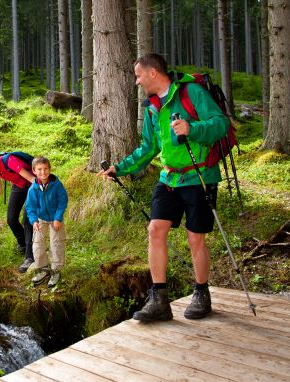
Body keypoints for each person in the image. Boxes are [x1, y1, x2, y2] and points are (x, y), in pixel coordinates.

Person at [98, 53, 229, 322]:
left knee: (196, 238)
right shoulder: (153, 107)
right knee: (155, 229)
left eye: (138, 75)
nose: (137, 82)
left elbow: (220, 124)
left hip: (199, 176)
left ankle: (202, 293)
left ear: (153, 73)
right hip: (168, 179)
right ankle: (159, 300)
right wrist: (119, 168)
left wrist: (191, 128)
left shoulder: (191, 92)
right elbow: (148, 147)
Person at [26, 157, 68, 288]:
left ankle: (56, 270)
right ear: (34, 171)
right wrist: (34, 221)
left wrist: (58, 218)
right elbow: (30, 207)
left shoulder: (57, 185)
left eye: (45, 169)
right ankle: (43, 269)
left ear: (49, 169)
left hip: (55, 218)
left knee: (56, 243)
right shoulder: (33, 189)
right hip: (40, 219)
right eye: (39, 169)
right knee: (37, 244)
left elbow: (63, 201)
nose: (43, 172)